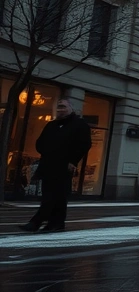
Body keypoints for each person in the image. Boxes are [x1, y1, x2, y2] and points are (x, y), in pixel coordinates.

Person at [18, 98, 92, 233]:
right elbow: (40, 143)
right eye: (58, 107)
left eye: (63, 107)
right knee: (55, 197)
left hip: (64, 166)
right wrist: (47, 151)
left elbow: (84, 145)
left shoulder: (80, 125)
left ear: (71, 108)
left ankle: (36, 222)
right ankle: (56, 223)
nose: (60, 110)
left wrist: (72, 161)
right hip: (48, 164)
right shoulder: (51, 125)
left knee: (52, 196)